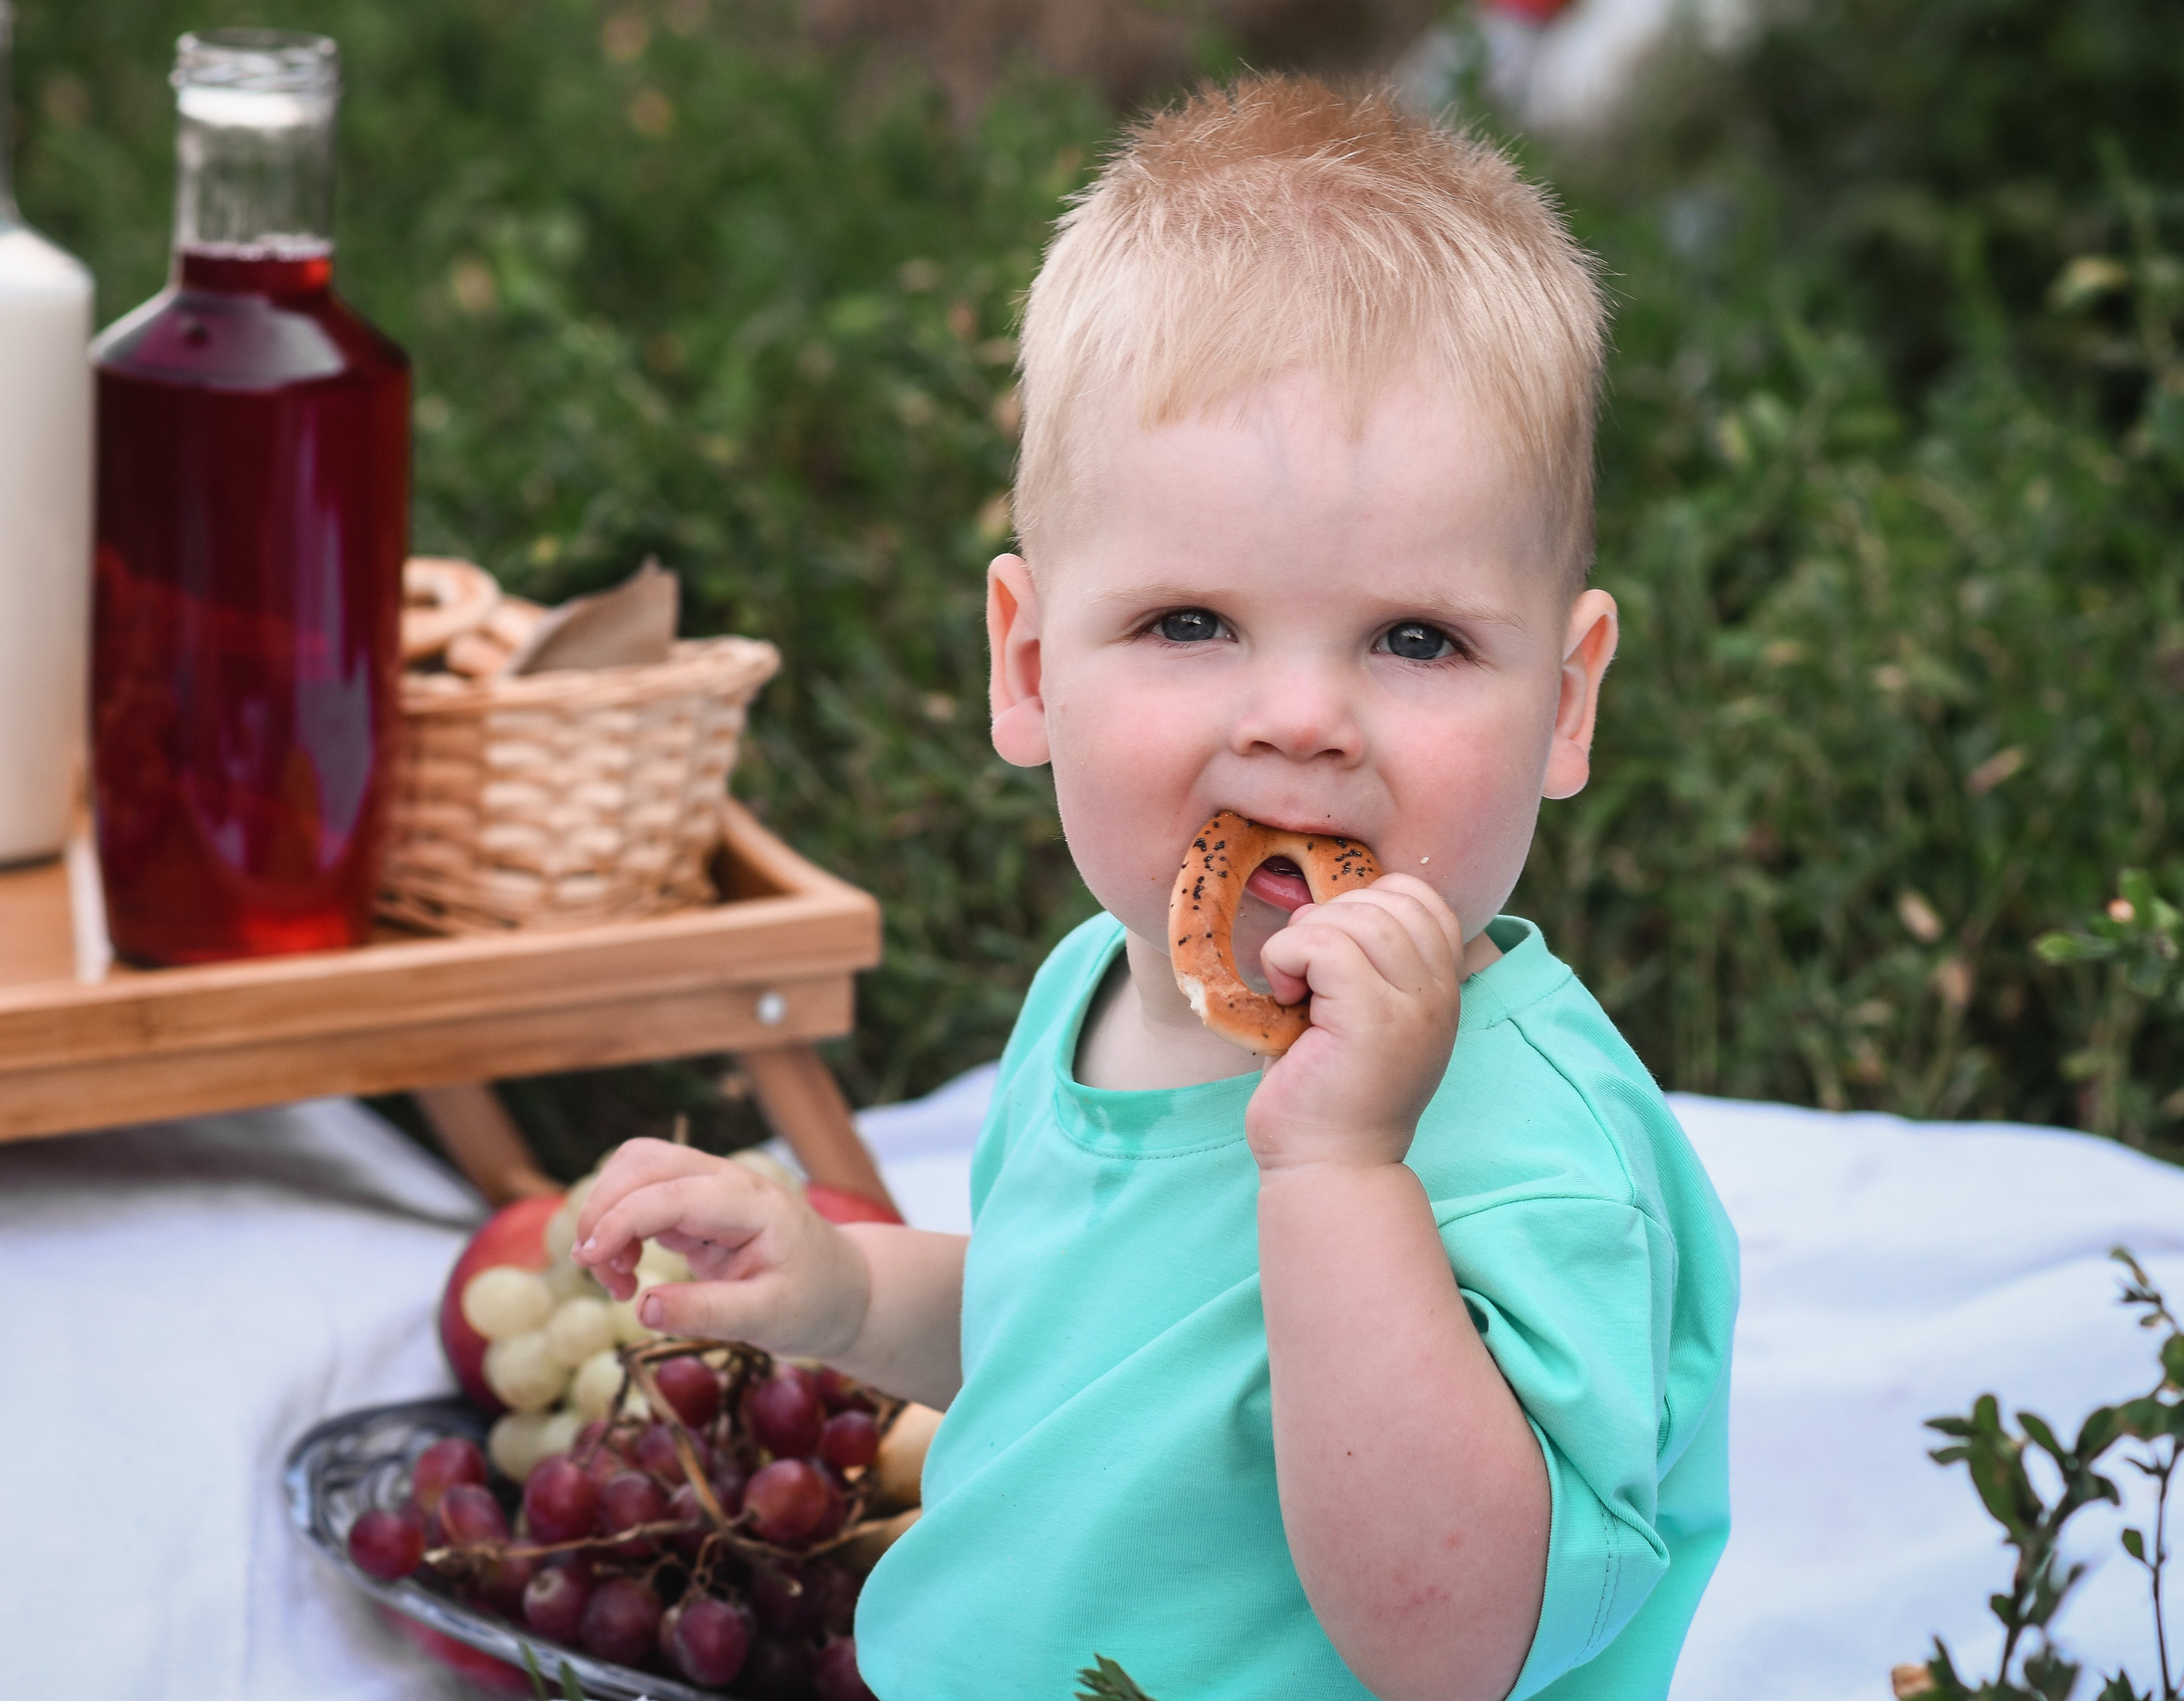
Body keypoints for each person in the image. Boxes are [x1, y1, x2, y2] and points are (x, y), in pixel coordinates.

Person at [575, 74, 1738, 1701]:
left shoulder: (1536, 1155)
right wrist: (842, 1291)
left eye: (1419, 638)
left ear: (1565, 700)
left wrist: (1340, 1165)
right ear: (1032, 665)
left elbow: (1452, 1634)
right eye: (1191, 622)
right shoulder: (1105, 984)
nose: (1299, 716)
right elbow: (1090, 1357)